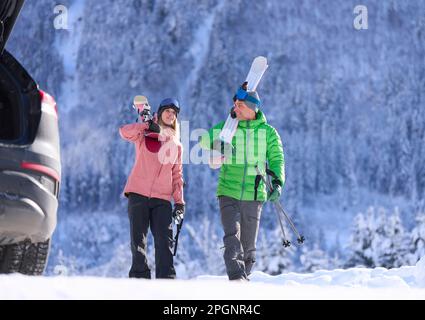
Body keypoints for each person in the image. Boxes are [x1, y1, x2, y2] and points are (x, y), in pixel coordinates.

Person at [200, 85, 285, 281]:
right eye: (234, 105)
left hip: (254, 195)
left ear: (251, 108)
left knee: (249, 246)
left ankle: (244, 278)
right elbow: (204, 140)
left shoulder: (268, 132)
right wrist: (220, 142)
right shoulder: (229, 127)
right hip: (227, 191)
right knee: (232, 236)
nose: (235, 108)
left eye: (239, 105)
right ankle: (236, 276)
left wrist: (278, 182)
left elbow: (277, 159)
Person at [119, 97, 185, 279]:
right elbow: (124, 132)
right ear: (160, 112)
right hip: (138, 194)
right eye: (168, 111)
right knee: (138, 242)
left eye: (174, 113)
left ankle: (166, 280)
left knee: (164, 242)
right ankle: (140, 280)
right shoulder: (144, 133)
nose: (171, 115)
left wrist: (179, 202)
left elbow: (177, 175)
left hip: (162, 199)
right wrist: (146, 125)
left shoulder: (176, 145)